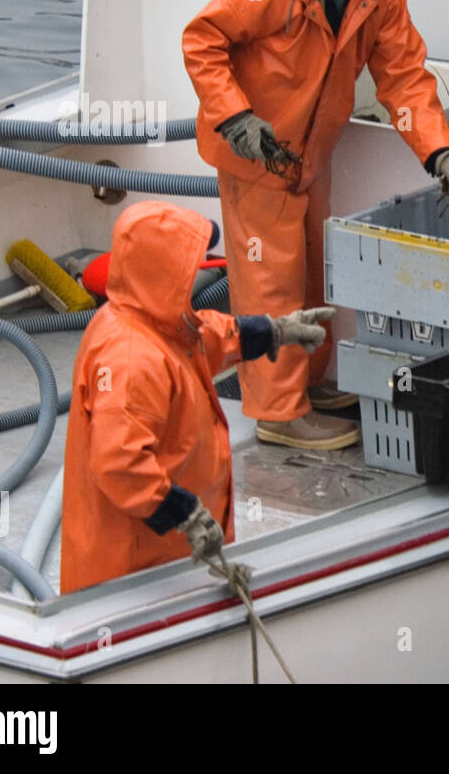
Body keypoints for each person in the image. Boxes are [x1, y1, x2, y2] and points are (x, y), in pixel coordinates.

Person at [183, 0, 449, 450]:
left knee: (315, 272)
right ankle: (276, 411)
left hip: (310, 157)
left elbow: (404, 77)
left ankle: (309, 384)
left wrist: (441, 154)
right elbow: (202, 39)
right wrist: (238, 120)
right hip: (257, 156)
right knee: (271, 280)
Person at [61, 201, 334, 593]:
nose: (200, 265)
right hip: (134, 574)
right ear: (162, 272)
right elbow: (118, 461)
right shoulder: (131, 359)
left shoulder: (150, 321)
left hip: (172, 553)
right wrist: (182, 513)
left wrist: (273, 331)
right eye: (189, 260)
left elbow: (204, 336)